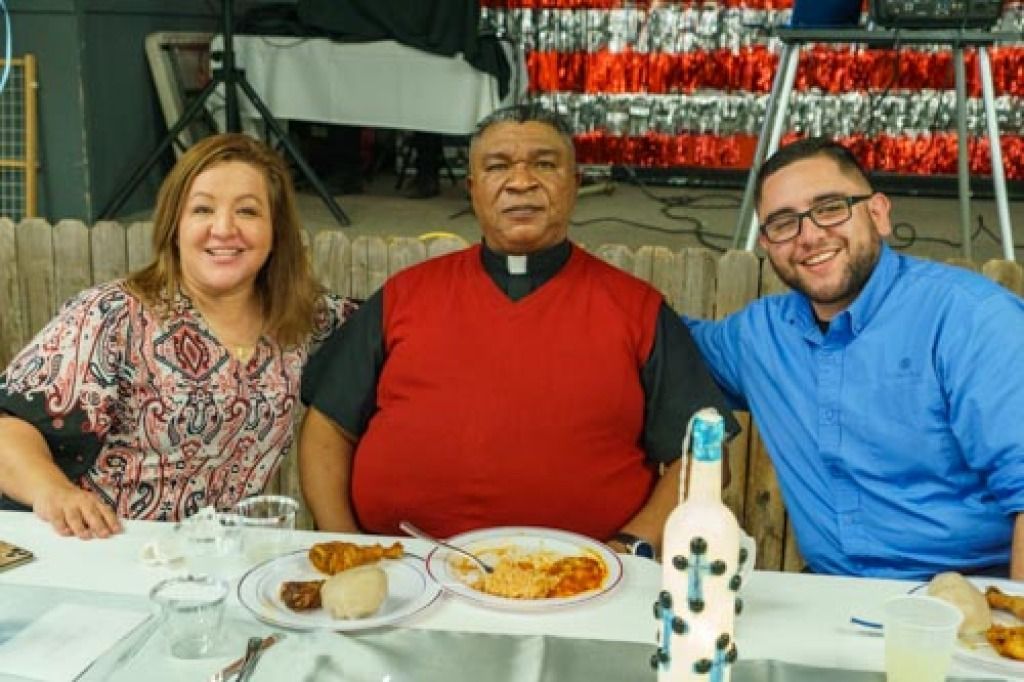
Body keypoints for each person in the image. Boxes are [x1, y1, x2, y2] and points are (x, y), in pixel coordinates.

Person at [299, 104, 735, 557]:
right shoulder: (403, 295)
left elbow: (704, 454)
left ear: (575, 184)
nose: (521, 181)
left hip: (583, 583)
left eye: (544, 164)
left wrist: (631, 547)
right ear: (473, 189)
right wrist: (343, 543)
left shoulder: (637, 308)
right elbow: (328, 424)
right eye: (498, 166)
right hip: (400, 574)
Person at [686, 137, 1024, 579]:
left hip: (969, 601)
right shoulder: (759, 336)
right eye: (784, 223)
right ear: (767, 243)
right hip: (830, 604)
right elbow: (650, 339)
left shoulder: (970, 320)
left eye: (829, 208)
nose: (809, 236)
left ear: (878, 213)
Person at [0, 133, 355, 539]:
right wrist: (54, 493)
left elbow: (395, 325)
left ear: (277, 232)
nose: (224, 229)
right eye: (202, 209)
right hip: (100, 549)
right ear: (175, 225)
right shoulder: (112, 316)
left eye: (248, 211)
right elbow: (7, 425)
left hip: (220, 562)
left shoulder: (304, 319)